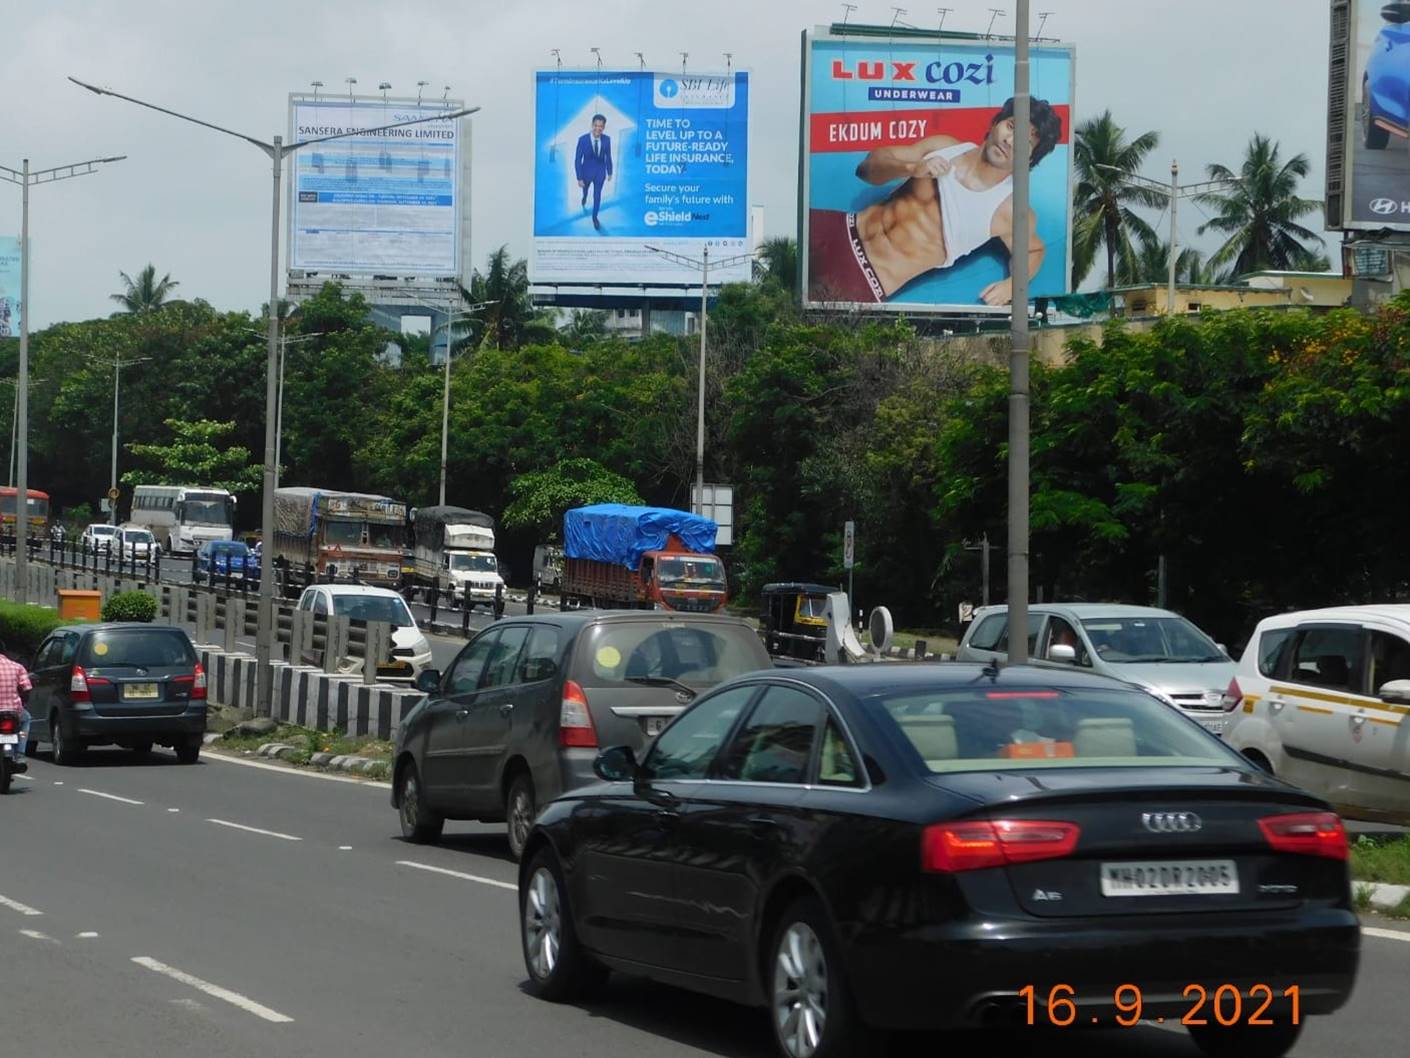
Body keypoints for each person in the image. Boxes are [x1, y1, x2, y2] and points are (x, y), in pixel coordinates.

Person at [808, 97, 1063, 306]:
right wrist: (911, 168)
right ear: (996, 122)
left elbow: (1034, 250)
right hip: (838, 228)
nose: (1010, 141)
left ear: (1030, 160)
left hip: (864, 278)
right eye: (1011, 126)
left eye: (1025, 142)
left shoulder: (1009, 209)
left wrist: (1012, 287)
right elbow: (866, 168)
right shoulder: (944, 146)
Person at [574, 113, 614, 231]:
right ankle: (584, 196)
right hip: (586, 172)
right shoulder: (582, 140)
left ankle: (595, 218)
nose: (598, 128)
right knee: (585, 190)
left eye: (601, 126)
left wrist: (610, 171)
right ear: (592, 125)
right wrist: (579, 178)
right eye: (596, 125)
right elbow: (577, 159)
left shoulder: (607, 140)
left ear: (604, 127)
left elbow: (608, 156)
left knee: (597, 196)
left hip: (600, 173)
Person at [0, 648, 32, 775]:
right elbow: (27, 688)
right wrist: (23, 703)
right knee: (26, 720)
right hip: (13, 711)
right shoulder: (17, 667)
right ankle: (20, 753)